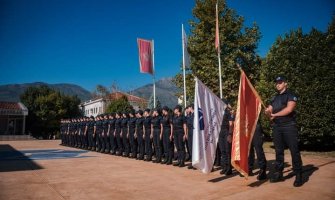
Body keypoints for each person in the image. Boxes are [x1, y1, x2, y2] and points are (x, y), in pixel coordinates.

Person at [265, 75, 303, 187]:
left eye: (280, 82)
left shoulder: (291, 95)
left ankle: (298, 174)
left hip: (289, 126)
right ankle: (279, 173)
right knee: (278, 151)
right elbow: (269, 111)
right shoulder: (274, 98)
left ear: (285, 83)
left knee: (294, 150)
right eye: (277, 82)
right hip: (277, 127)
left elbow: (289, 109)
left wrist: (274, 115)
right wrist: (267, 112)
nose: (278, 84)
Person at [219, 107, 234, 175]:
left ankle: (229, 168)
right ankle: (224, 167)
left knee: (228, 151)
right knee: (222, 151)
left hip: (226, 131)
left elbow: (231, 124)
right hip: (220, 132)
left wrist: (230, 134)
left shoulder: (227, 112)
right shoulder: (218, 112)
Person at [185, 104, 194, 169]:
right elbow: (187, 125)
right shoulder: (189, 115)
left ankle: (195, 163)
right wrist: (187, 133)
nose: (188, 109)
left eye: (189, 108)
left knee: (193, 147)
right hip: (190, 131)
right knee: (190, 147)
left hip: (194, 131)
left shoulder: (195, 115)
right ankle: (192, 162)